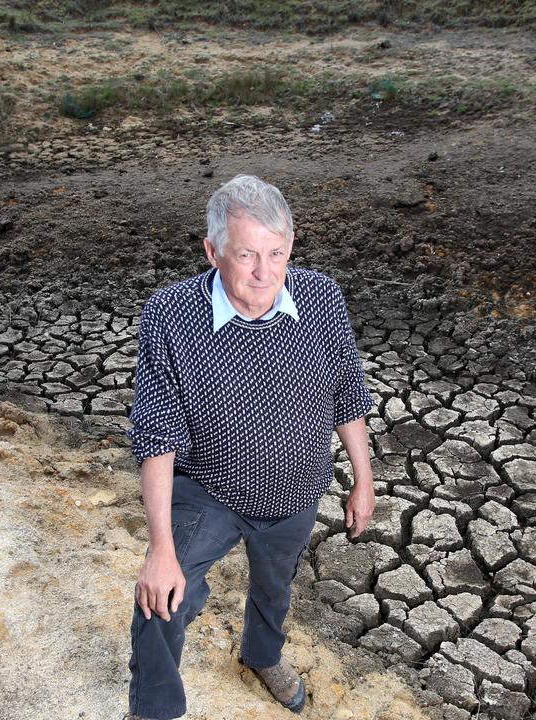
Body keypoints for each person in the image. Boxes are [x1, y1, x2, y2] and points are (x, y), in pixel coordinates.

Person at [125, 174, 376, 719]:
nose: (265, 273)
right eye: (247, 255)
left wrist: (363, 479)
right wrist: (161, 548)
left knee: (274, 587)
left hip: (294, 488)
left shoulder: (322, 298)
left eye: (277, 253)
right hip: (209, 490)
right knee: (162, 599)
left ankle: (263, 656)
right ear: (213, 251)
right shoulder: (172, 314)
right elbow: (156, 433)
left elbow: (347, 391)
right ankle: (155, 711)